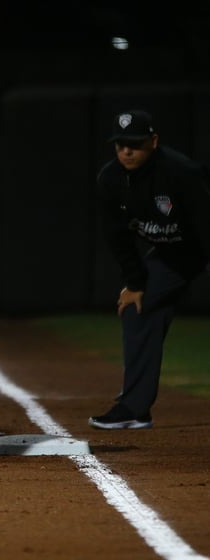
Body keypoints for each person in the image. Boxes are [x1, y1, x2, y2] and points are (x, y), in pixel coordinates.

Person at [89, 109, 210, 429]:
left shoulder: (180, 172)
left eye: (135, 143)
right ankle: (134, 408)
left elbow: (205, 227)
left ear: (153, 141)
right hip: (173, 255)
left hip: (202, 242)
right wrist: (135, 282)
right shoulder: (110, 179)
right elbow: (117, 237)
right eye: (120, 145)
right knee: (136, 308)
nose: (126, 151)